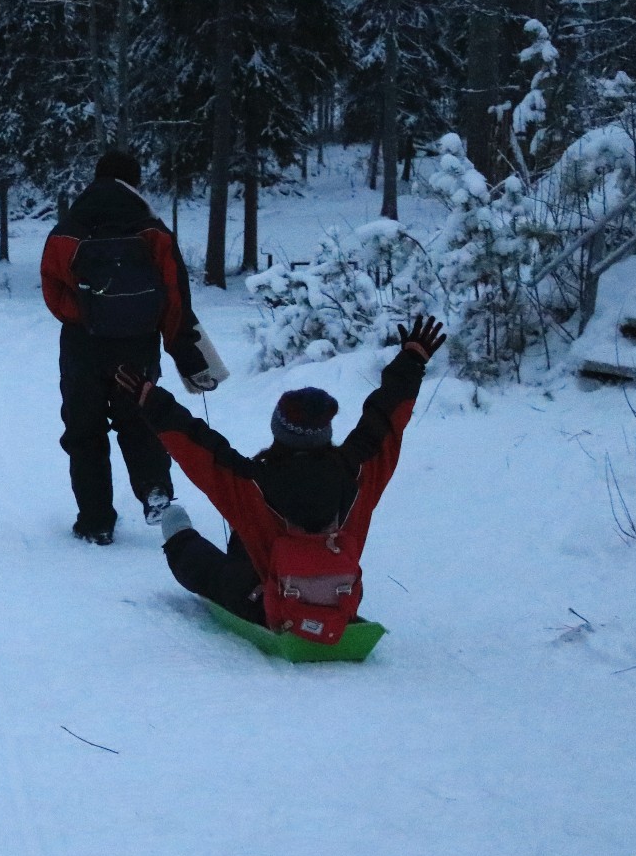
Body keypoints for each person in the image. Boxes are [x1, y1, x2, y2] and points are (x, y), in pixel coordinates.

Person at [113, 316, 446, 630]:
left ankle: (178, 531)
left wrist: (151, 401)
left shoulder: (253, 482)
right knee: (252, 533)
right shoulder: (358, 471)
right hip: (340, 601)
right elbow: (384, 422)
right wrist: (411, 362)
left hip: (269, 605)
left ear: (279, 431)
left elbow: (201, 448)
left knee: (210, 569)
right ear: (325, 432)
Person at [41, 148, 227, 544]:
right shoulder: (153, 229)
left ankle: (96, 522)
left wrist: (87, 314)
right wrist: (181, 348)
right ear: (134, 182)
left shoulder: (69, 228)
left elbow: (53, 291)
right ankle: (155, 488)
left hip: (83, 347)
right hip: (138, 347)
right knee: (139, 420)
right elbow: (174, 296)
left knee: (84, 430)